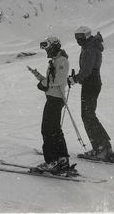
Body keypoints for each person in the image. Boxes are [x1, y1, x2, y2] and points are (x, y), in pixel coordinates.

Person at [67, 26, 114, 161]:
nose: (78, 40)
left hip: (91, 83)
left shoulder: (90, 48)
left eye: (80, 37)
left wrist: (74, 79)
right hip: (92, 83)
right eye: (76, 37)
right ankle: (104, 147)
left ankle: (100, 148)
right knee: (89, 115)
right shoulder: (90, 45)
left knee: (87, 115)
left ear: (87, 36)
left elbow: (87, 70)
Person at [27, 36, 70, 172]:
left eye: (48, 49)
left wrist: (43, 83)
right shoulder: (55, 61)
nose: (47, 52)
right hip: (53, 98)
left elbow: (58, 80)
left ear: (54, 47)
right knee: (55, 130)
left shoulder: (62, 61)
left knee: (47, 130)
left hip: (56, 99)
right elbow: (51, 81)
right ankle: (62, 159)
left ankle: (52, 161)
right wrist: (38, 76)